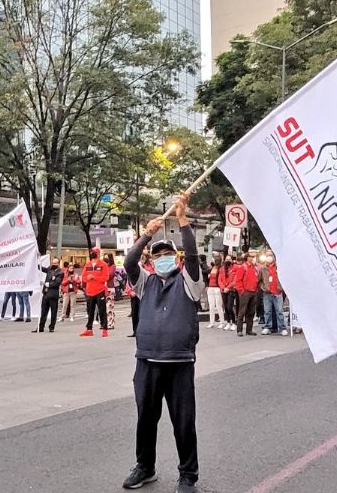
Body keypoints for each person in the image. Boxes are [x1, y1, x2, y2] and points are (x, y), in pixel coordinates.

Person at [122, 194, 203, 493]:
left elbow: (193, 257)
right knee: (146, 419)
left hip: (180, 363)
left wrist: (182, 221)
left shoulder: (189, 281)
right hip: (147, 362)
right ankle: (145, 466)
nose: (162, 257)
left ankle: (188, 476)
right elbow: (130, 261)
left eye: (167, 253)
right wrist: (146, 235)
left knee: (184, 422)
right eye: (157, 255)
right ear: (152, 261)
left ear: (176, 257)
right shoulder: (145, 282)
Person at [80, 247, 110, 338]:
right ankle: (89, 329)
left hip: (100, 290)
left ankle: (104, 329)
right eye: (91, 252)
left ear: (98, 253)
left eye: (94, 252)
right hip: (89, 291)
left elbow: (106, 277)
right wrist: (87, 279)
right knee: (90, 311)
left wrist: (94, 277)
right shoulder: (87, 264)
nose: (92, 253)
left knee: (102, 311)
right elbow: (83, 277)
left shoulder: (103, 264)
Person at [259, 252, 288, 336]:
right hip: (267, 293)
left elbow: (284, 278)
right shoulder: (263, 268)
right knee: (267, 311)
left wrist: (281, 287)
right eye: (267, 255)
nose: (269, 257)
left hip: (277, 292)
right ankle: (267, 327)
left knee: (279, 311)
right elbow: (260, 280)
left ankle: (282, 328)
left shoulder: (279, 267)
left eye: (270, 255)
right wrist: (263, 287)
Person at [33, 258, 64, 333]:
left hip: (53, 295)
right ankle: (40, 327)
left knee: (53, 312)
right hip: (46, 294)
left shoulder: (60, 272)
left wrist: (46, 284)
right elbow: (42, 269)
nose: (53, 264)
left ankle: (51, 327)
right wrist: (36, 263)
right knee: (43, 311)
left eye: (55, 263)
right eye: (53, 263)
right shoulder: (49, 268)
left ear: (58, 264)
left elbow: (57, 283)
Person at [234, 253, 259, 337]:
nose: (253, 258)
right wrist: (242, 291)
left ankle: (249, 330)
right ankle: (239, 330)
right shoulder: (243, 267)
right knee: (242, 311)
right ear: (247, 258)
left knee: (251, 312)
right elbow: (238, 280)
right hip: (246, 292)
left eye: (254, 257)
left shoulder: (255, 267)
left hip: (253, 292)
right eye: (252, 257)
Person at [218, 257, 237, 331]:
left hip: (231, 290)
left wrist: (228, 287)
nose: (228, 260)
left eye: (229, 259)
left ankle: (234, 322)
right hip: (223, 291)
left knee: (230, 307)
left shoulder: (234, 268)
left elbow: (235, 280)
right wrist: (223, 288)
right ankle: (228, 322)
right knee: (225, 307)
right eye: (227, 259)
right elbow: (219, 280)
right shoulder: (221, 269)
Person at [205, 261, 224, 329]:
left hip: (217, 288)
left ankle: (222, 322)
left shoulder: (220, 270)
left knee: (219, 306)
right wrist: (206, 286)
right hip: (210, 288)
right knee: (211, 306)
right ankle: (211, 322)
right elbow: (206, 278)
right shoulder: (210, 269)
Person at [104, 253, 118, 330]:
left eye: (107, 258)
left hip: (110, 287)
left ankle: (111, 323)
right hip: (104, 287)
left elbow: (109, 275)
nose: (106, 260)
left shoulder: (112, 266)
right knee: (103, 307)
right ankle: (104, 323)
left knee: (109, 307)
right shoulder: (104, 266)